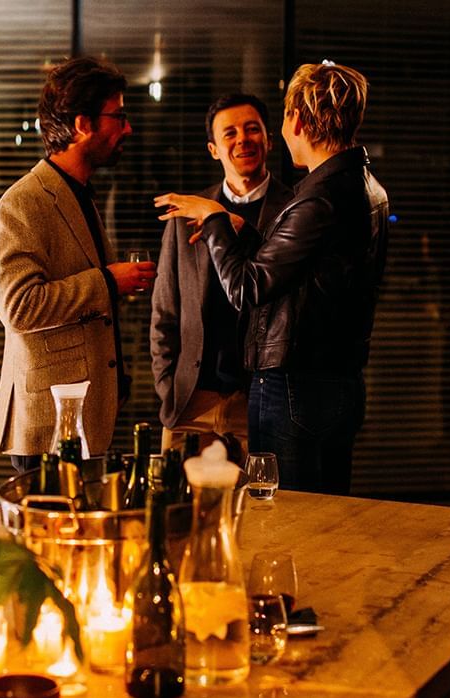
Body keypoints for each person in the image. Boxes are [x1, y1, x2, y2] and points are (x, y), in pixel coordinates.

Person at [155, 62, 389, 495]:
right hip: (336, 381)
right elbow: (314, 275)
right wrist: (253, 234)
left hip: (296, 387)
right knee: (325, 516)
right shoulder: (366, 186)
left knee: (288, 522)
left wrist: (215, 220)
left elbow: (247, 289)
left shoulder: (317, 198)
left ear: (296, 120)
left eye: (278, 120)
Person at [0, 56, 155, 471]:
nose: (127, 128)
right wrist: (107, 282)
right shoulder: (23, 202)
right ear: (83, 125)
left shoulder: (80, 192)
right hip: (47, 424)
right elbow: (20, 307)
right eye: (118, 116)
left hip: (83, 416)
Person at [150, 93, 293, 459]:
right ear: (214, 149)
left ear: (269, 140)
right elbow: (165, 311)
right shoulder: (187, 213)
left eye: (252, 129)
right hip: (191, 398)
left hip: (258, 396)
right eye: (229, 133)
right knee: (178, 511)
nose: (242, 139)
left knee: (264, 512)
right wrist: (167, 387)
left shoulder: (294, 210)